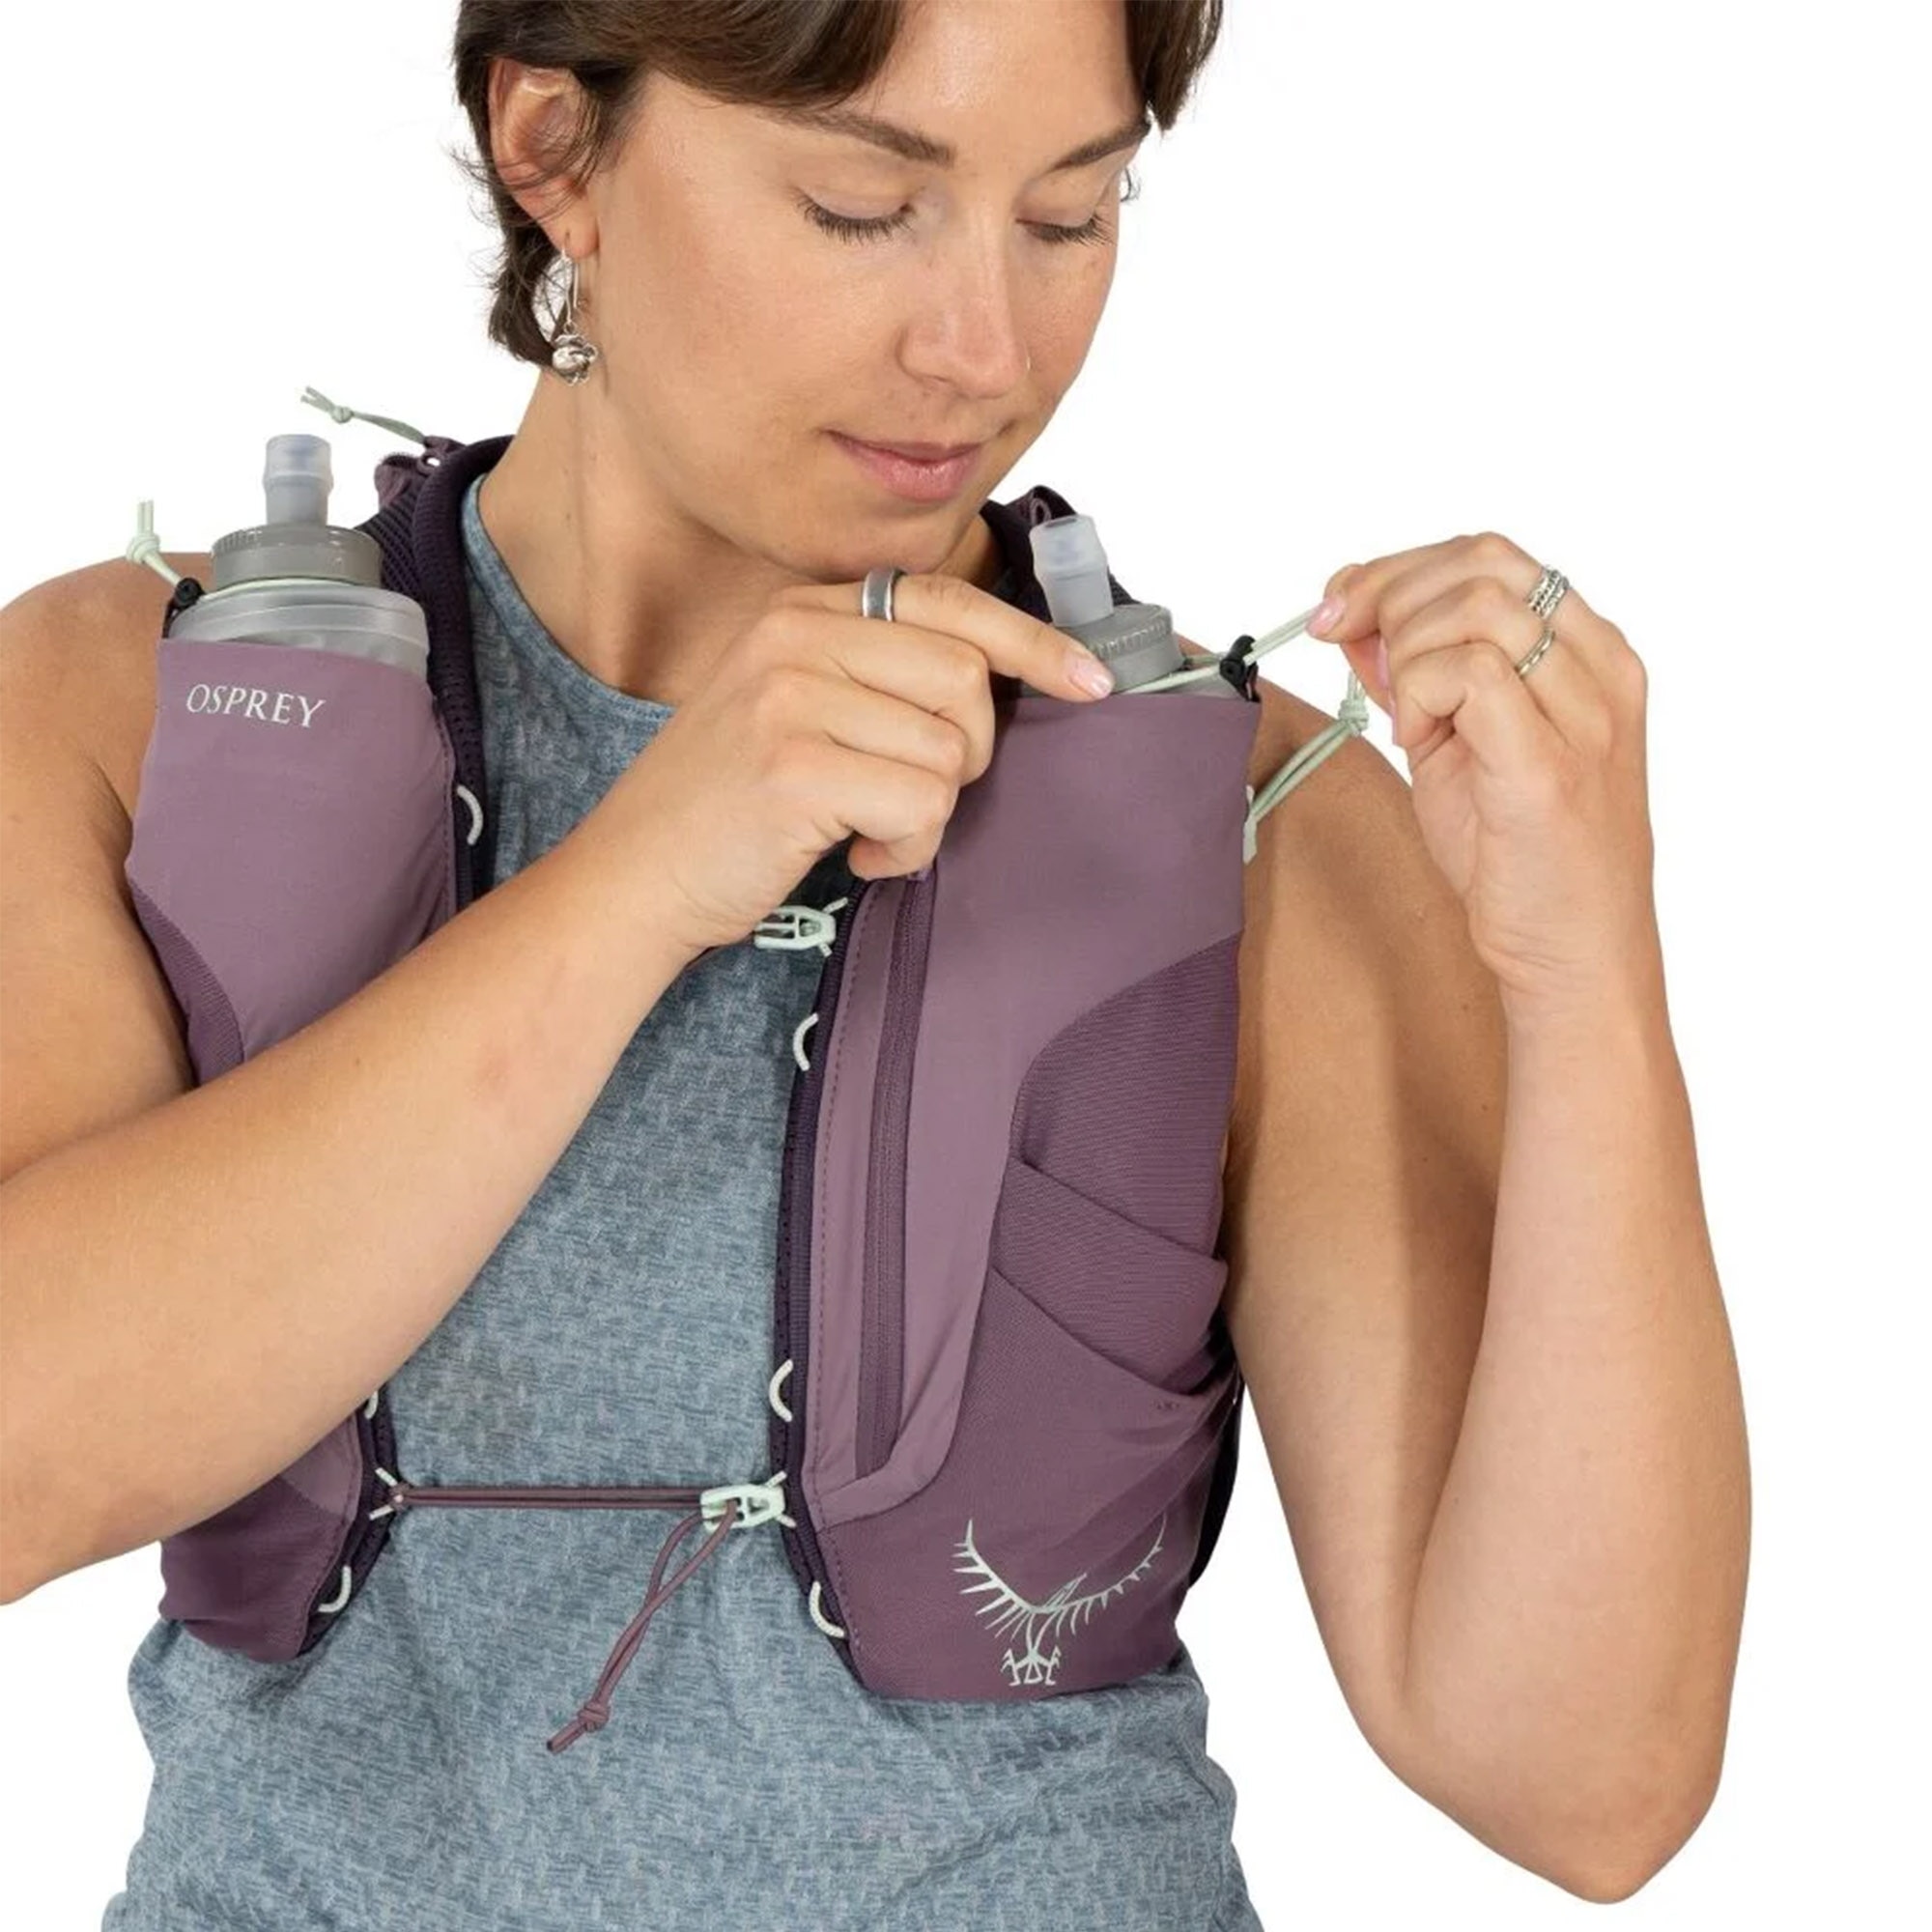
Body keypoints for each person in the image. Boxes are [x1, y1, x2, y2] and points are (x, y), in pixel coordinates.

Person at [1, 0, 1750, 1923]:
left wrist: (1584, 971)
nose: (985, 350)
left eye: (1069, 216)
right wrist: (643, 871)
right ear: (555, 146)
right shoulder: (127, 703)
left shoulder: (1244, 818)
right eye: (861, 207)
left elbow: (1582, 1783)